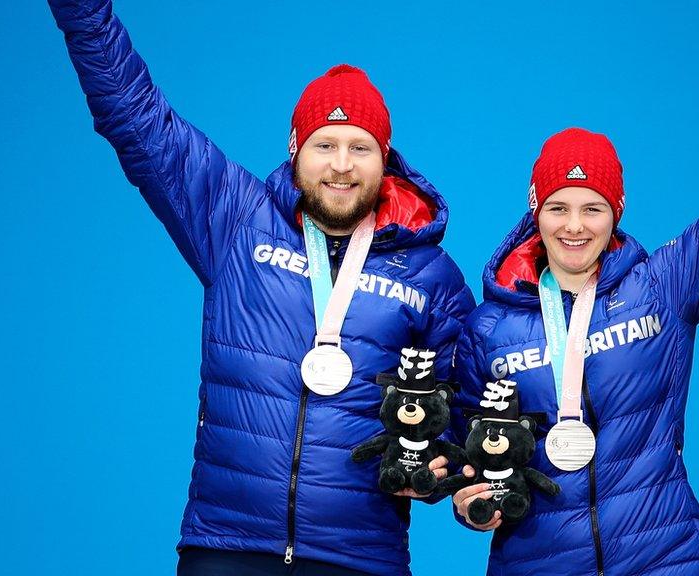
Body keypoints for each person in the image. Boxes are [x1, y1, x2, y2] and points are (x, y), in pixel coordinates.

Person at [48, 0, 475, 574]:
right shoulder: (236, 221)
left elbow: (469, 408)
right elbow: (134, 116)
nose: (342, 165)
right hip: (226, 547)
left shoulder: (430, 276)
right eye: (325, 144)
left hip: (359, 559)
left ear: (386, 159)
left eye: (360, 148)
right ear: (297, 149)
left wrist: (440, 467)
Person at [450, 23, 699, 575]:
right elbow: (466, 449)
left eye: (592, 208)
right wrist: (468, 496)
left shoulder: (663, 286)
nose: (574, 226)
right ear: (534, 213)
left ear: (616, 211)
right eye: (558, 208)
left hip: (666, 558)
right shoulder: (488, 329)